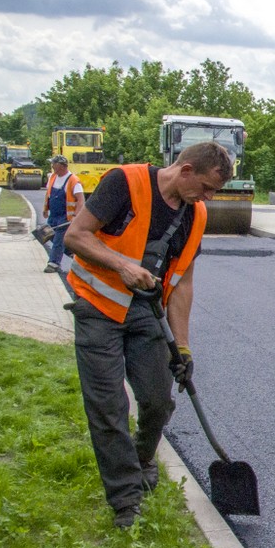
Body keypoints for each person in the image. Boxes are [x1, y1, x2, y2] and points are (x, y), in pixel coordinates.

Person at [64, 142, 232, 528]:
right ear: (185, 170)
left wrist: (183, 346)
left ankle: (141, 460)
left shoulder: (196, 214)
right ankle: (126, 499)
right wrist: (122, 265)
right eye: (206, 188)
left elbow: (183, 281)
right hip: (97, 307)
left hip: (146, 311)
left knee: (158, 400)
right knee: (109, 407)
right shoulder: (124, 183)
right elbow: (76, 236)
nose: (207, 198)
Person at [42, 155, 85, 273]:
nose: (52, 166)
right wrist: (45, 209)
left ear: (61, 166)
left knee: (58, 240)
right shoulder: (53, 177)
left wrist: (75, 216)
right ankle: (72, 253)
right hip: (53, 215)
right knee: (49, 235)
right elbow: (48, 194)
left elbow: (81, 200)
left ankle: (53, 263)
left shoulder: (73, 181)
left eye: (54, 164)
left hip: (65, 217)